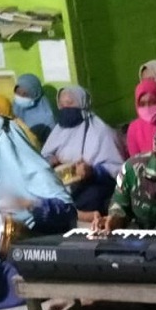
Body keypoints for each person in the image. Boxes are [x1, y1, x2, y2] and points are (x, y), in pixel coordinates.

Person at [0, 115, 75, 310]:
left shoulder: (35, 171)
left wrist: (31, 205)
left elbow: (67, 214)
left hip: (27, 245)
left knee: (18, 276)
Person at [41, 85, 125, 222]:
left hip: (92, 184)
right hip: (61, 184)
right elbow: (43, 157)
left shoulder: (101, 131)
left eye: (69, 104)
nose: (65, 109)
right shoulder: (58, 131)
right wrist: (52, 160)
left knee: (92, 197)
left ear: (82, 104)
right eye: (61, 105)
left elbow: (116, 168)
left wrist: (92, 171)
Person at [126, 79, 156, 157]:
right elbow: (136, 159)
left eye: (153, 102)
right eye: (142, 104)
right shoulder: (134, 129)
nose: (147, 108)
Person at [13, 73, 56, 145]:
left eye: (25, 94)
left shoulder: (47, 118)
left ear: (35, 94)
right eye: (18, 92)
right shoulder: (15, 106)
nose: (20, 97)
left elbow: (51, 145)